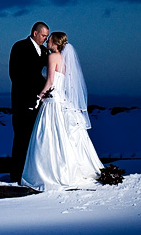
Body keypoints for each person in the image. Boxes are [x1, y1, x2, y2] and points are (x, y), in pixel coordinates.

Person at [21, 32, 104, 191]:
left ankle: (49, 174)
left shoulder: (53, 57)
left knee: (47, 137)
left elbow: (51, 81)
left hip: (53, 100)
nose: (46, 42)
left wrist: (38, 97)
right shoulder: (65, 60)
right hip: (62, 100)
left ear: (55, 43)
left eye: (49, 39)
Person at [8, 22, 49, 183]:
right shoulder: (19, 47)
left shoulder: (45, 51)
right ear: (34, 33)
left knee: (36, 138)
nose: (46, 39)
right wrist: (30, 98)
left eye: (47, 36)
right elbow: (16, 75)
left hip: (41, 101)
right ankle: (17, 174)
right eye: (44, 35)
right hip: (22, 100)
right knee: (21, 137)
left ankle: (32, 173)